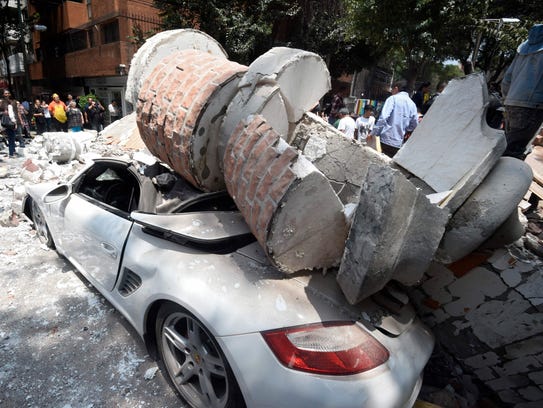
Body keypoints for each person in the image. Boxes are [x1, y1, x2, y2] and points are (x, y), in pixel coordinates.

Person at [501, 23, 543, 160]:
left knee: (507, 146)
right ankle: (504, 181)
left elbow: (507, 79)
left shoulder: (522, 52)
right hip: (532, 106)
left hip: (511, 103)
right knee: (514, 152)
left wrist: (508, 99)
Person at [370, 80, 418, 158]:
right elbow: (414, 124)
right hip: (398, 143)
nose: (391, 91)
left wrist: (374, 133)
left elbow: (383, 118)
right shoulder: (412, 105)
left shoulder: (392, 99)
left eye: (392, 89)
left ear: (396, 88)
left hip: (384, 140)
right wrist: (405, 129)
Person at [1, 89, 19, 158]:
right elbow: (11, 114)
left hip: (6, 122)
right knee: (11, 138)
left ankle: (13, 151)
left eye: (8, 93)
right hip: (10, 122)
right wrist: (15, 122)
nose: (7, 94)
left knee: (11, 137)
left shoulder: (6, 102)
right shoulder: (6, 103)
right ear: (3, 94)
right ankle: (11, 153)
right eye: (6, 93)